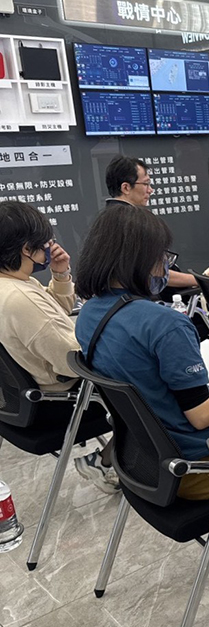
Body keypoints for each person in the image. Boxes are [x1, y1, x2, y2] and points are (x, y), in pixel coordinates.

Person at [74, 206, 209, 500]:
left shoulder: (88, 314)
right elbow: (202, 415)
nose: (165, 266)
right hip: (203, 466)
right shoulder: (165, 324)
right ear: (141, 259)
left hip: (147, 460)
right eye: (162, 257)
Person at [0, 202, 116, 493]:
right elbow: (75, 360)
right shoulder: (20, 298)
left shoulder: (13, 285)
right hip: (59, 402)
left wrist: (61, 275)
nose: (49, 247)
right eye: (44, 243)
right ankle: (106, 463)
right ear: (27, 249)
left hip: (21, 403)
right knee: (152, 389)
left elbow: (53, 314)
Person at [105, 156, 209, 289]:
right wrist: (203, 280)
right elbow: (156, 274)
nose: (150, 190)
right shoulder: (134, 222)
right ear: (126, 188)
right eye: (146, 184)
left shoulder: (106, 219)